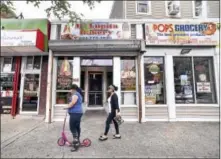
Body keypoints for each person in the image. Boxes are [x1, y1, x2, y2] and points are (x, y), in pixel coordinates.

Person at [64, 84, 83, 151]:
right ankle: (78, 141)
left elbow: (73, 103)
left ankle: (76, 145)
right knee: (77, 127)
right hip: (78, 113)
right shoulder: (78, 94)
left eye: (70, 89)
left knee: (72, 128)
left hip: (75, 113)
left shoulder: (75, 95)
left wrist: (66, 107)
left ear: (73, 89)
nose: (70, 91)